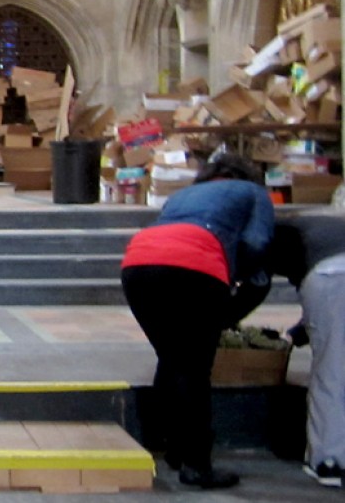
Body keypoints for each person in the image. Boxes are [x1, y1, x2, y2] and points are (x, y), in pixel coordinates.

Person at [120, 153, 275, 489]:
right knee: (193, 368)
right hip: (196, 266)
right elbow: (258, 243)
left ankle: (173, 448)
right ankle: (197, 465)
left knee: (173, 358)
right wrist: (237, 286)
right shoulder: (253, 193)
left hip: (138, 262)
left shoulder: (183, 195)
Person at [266, 213, 345, 488]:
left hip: (333, 276)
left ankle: (329, 461)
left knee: (332, 373)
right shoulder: (324, 226)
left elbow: (291, 274)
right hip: (333, 278)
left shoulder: (276, 231)